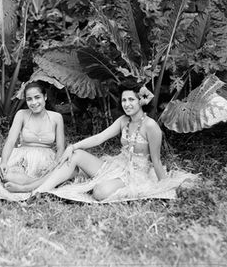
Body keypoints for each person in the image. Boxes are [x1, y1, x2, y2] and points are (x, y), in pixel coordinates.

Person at [29, 82, 189, 201]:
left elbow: (156, 160)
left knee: (99, 192)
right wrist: (72, 146)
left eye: (131, 100)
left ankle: (86, 179)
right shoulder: (123, 120)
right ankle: (39, 192)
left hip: (136, 174)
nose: (127, 104)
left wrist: (165, 189)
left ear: (141, 100)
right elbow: (100, 137)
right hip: (117, 164)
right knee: (76, 154)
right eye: (124, 100)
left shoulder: (151, 126)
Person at [0, 81, 65, 192]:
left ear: (45, 97)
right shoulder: (21, 114)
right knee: (5, 176)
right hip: (23, 157)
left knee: (61, 172)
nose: (34, 103)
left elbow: (61, 147)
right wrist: (4, 161)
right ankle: (41, 183)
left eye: (37, 97)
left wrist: (55, 164)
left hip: (46, 159)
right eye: (29, 99)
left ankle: (28, 185)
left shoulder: (56, 117)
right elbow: (10, 141)